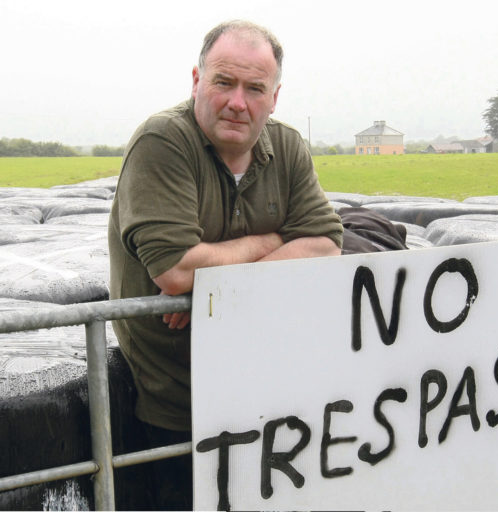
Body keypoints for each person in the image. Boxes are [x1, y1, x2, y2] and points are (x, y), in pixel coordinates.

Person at [108, 20, 343, 509]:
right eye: (223, 82)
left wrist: (219, 291)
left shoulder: (289, 148)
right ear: (197, 81)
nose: (238, 102)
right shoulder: (163, 143)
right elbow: (175, 272)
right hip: (178, 391)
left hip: (270, 379)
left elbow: (324, 244)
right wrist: (275, 238)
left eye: (255, 88)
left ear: (274, 98)